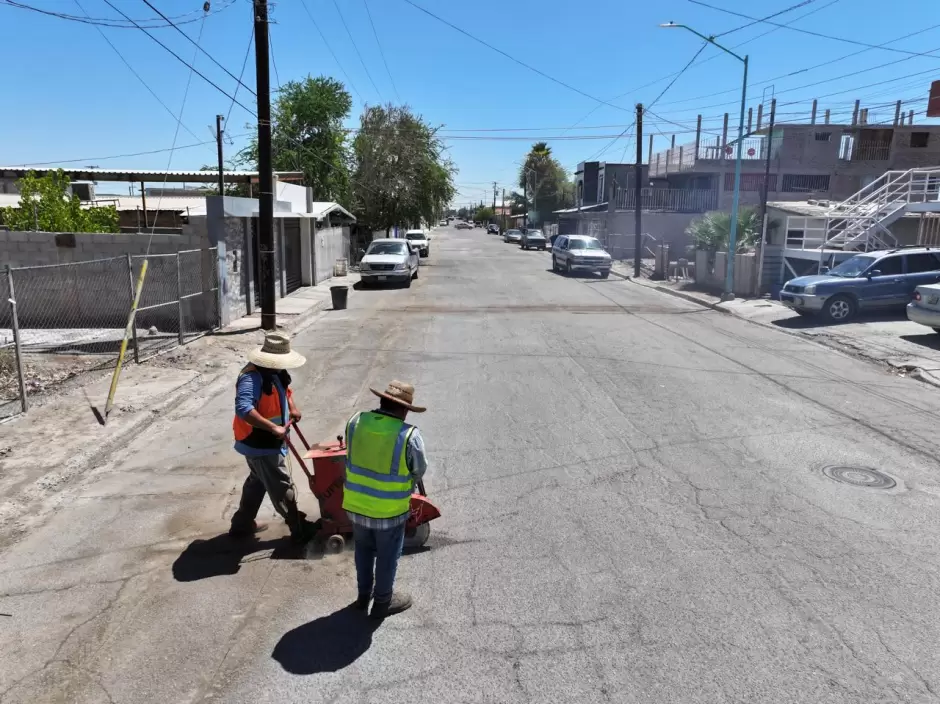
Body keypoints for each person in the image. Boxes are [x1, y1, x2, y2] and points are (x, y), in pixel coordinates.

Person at [343, 380, 428, 619]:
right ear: (404, 410)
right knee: (388, 556)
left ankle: (362, 596)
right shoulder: (409, 435)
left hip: (356, 505)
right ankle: (382, 603)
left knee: (363, 550)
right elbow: (418, 470)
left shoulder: (355, 422)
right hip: (389, 511)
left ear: (382, 401)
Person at [230, 332, 309, 542]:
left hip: (269, 441)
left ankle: (242, 524)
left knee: (258, 481)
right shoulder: (251, 377)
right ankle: (299, 529)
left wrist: (292, 407)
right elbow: (244, 409)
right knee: (281, 484)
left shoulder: (276, 371)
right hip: (259, 442)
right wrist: (272, 428)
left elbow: (285, 391)